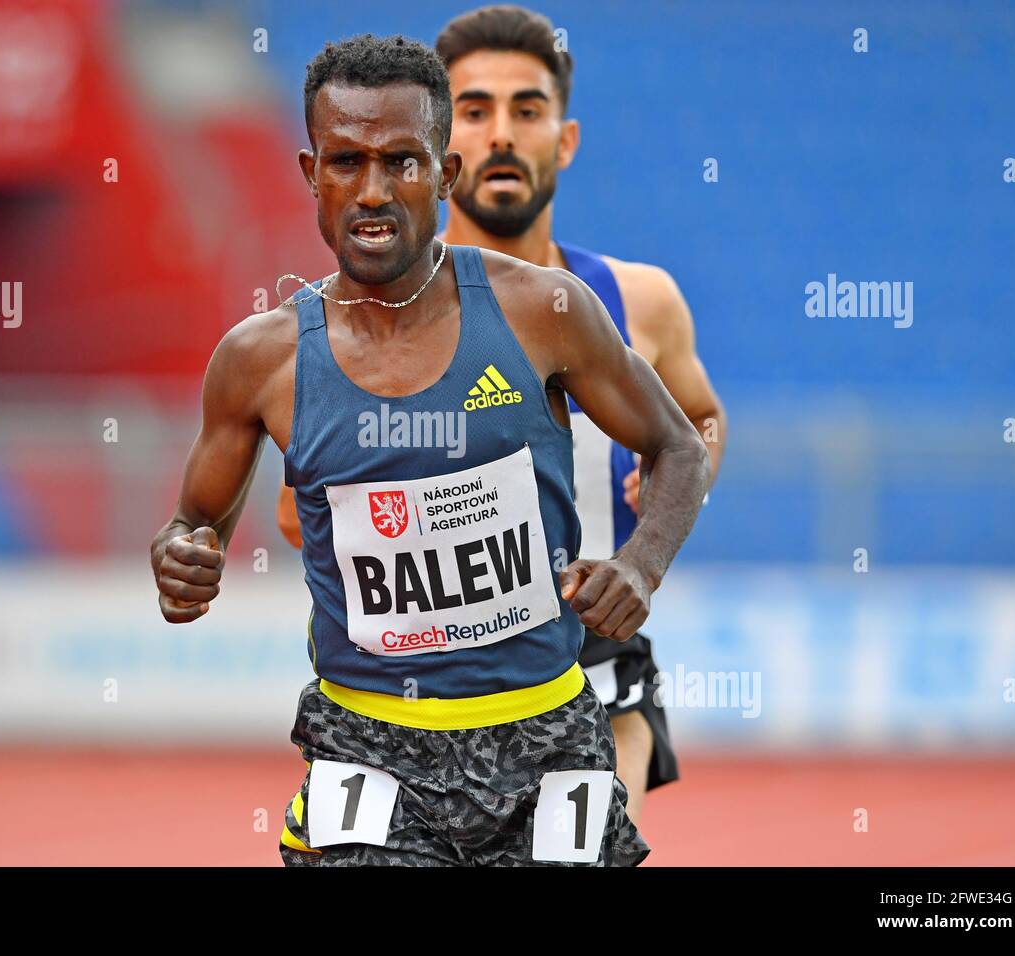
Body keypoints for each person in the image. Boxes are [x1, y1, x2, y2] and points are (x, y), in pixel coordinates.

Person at [152, 33, 709, 866]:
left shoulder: (544, 311)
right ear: (311, 173)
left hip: (544, 739)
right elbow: (194, 525)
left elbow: (681, 445)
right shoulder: (259, 361)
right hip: (366, 748)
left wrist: (640, 566)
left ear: (445, 175)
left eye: (403, 163)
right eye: (345, 161)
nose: (372, 191)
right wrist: (180, 561)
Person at [278, 6, 727, 824]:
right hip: (429, 682)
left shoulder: (635, 300)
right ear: (445, 148)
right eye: (476, 110)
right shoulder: (358, 325)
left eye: (527, 110)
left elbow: (696, 428)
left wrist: (645, 540)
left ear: (565, 138)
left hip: (595, 643)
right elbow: (299, 504)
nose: (501, 135)